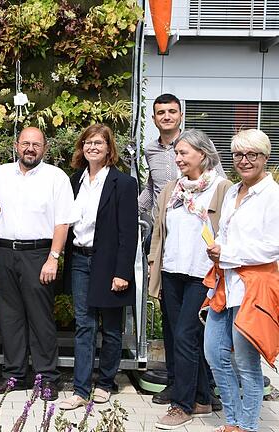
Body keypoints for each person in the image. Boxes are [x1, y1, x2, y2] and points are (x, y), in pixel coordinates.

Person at [140, 94, 225, 407]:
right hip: (170, 257)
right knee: (176, 330)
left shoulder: (216, 182)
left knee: (193, 332)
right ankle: (191, 391)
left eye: (171, 111)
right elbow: (151, 193)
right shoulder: (155, 160)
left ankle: (193, 396)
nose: (166, 116)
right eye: (160, 112)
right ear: (153, 118)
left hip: (201, 266)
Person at [150, 129, 232, 429]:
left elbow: (230, 229)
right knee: (178, 337)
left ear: (203, 154)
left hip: (203, 275)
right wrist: (153, 265)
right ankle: (201, 399)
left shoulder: (222, 189)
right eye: (177, 153)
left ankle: (180, 405)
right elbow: (160, 232)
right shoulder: (172, 188)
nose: (178, 158)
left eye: (184, 153)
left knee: (186, 335)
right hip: (172, 271)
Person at [0, 126, 74, 401]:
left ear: (45, 148)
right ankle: (13, 375)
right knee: (10, 316)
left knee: (40, 318)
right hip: (3, 252)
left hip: (39, 254)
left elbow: (63, 222)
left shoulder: (56, 177)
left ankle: (47, 378)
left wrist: (54, 257)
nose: (30, 148)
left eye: (36, 144)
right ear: (16, 145)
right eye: (25, 143)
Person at [58, 124, 138, 410]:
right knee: (84, 325)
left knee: (112, 328)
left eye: (99, 143)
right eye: (88, 142)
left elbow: (129, 234)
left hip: (109, 262)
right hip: (80, 259)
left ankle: (105, 383)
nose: (92, 147)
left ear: (109, 149)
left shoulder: (124, 184)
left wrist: (122, 273)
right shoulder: (75, 180)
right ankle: (80, 390)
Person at [204, 129, 279, 432]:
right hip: (226, 285)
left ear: (265, 157)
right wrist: (216, 247)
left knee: (246, 364)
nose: (245, 161)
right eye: (238, 155)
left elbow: (273, 245)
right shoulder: (233, 192)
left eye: (252, 155)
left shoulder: (272, 196)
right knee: (214, 353)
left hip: (254, 287)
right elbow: (225, 233)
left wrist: (228, 253)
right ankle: (234, 420)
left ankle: (246, 425)